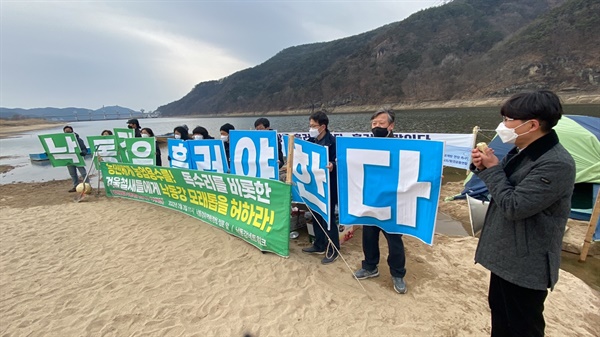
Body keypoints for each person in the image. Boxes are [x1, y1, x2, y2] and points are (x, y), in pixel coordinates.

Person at [470, 90, 575, 337]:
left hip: (526, 263)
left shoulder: (555, 163)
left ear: (532, 125)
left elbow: (514, 205)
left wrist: (493, 170)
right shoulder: (524, 148)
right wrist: (483, 166)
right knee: (501, 315)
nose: (502, 125)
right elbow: (504, 184)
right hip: (507, 256)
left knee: (522, 326)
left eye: (508, 120)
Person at [353, 108, 408, 294]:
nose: (377, 127)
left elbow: (414, 169)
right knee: (369, 235)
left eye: (381, 124)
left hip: (393, 203)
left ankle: (398, 273)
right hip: (371, 200)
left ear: (391, 126)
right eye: (374, 124)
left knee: (394, 240)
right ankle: (370, 267)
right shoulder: (367, 146)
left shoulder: (401, 146)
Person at [301, 111, 339, 264]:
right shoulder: (311, 141)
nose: (311, 129)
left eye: (313, 126)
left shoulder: (333, 142)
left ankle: (333, 250)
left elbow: (339, 162)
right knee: (315, 214)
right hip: (314, 184)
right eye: (310, 126)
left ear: (323, 126)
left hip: (329, 186)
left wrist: (333, 165)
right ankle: (319, 244)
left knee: (328, 218)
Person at [63, 125, 89, 192]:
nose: (67, 132)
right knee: (73, 174)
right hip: (69, 159)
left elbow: (84, 149)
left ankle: (87, 186)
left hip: (78, 158)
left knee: (83, 173)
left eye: (69, 130)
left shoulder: (78, 140)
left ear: (72, 130)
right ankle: (75, 186)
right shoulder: (62, 141)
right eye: (66, 131)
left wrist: (83, 153)